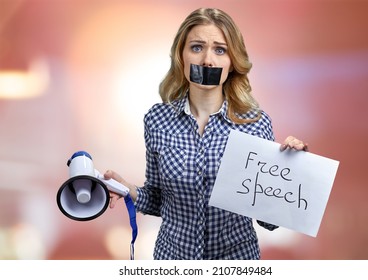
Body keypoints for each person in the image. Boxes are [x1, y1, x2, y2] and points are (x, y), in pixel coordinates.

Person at [105, 7, 308, 260]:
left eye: (219, 50)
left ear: (232, 62)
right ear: (182, 55)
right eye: (197, 47)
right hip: (173, 260)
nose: (207, 61)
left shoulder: (255, 124)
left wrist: (290, 171)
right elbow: (159, 200)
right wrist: (129, 190)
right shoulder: (156, 120)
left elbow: (269, 222)